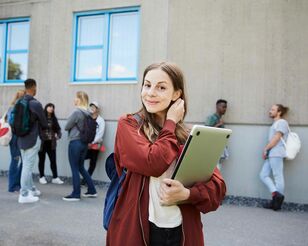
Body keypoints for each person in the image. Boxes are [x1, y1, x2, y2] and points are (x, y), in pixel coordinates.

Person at [106, 62, 226, 246]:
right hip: (137, 231)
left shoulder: (187, 136)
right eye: (147, 85)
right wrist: (170, 121)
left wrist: (187, 194)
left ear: (176, 94)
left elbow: (217, 189)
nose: (151, 92)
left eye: (161, 87)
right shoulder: (128, 125)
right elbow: (152, 163)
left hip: (181, 232)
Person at [17, 79, 48, 203]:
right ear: (34, 87)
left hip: (21, 139)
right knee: (27, 167)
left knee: (26, 165)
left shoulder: (20, 101)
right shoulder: (35, 103)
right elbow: (44, 123)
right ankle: (24, 195)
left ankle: (31, 189)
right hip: (32, 139)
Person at [63, 91, 97, 201]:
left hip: (75, 142)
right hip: (84, 144)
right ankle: (92, 190)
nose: (74, 100)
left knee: (74, 168)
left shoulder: (77, 112)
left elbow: (67, 126)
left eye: (75, 98)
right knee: (81, 167)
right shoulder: (89, 113)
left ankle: (76, 194)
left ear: (79, 99)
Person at [260, 104, 289, 211]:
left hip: (276, 153)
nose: (270, 111)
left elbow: (277, 138)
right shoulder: (276, 123)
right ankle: (276, 196)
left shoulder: (282, 122)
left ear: (279, 112)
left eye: (273, 109)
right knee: (263, 175)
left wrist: (266, 149)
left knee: (278, 177)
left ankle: (277, 203)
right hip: (272, 154)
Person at [38, 103, 64, 185]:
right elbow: (38, 129)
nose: (51, 108)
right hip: (42, 142)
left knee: (53, 160)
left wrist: (58, 135)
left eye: (53, 107)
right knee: (42, 160)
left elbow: (58, 129)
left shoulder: (54, 119)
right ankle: (41, 177)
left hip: (51, 143)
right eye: (49, 106)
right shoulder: (41, 118)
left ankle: (55, 177)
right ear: (46, 108)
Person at [81, 101, 105, 185]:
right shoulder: (87, 118)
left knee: (93, 162)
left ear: (97, 109)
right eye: (91, 107)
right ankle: (84, 178)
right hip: (86, 144)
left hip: (95, 144)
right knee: (81, 159)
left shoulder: (100, 120)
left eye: (94, 107)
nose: (92, 108)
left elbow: (100, 133)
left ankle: (85, 181)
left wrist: (92, 142)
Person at [7, 90, 25, 192]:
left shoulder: (11, 107)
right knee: (16, 160)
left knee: (17, 160)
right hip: (16, 137)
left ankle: (16, 184)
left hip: (14, 137)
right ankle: (13, 186)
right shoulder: (18, 108)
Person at [205, 99, 229, 169]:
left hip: (219, 147)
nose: (225, 109)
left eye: (226, 107)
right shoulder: (211, 118)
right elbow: (206, 132)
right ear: (217, 107)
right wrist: (219, 124)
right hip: (212, 148)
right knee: (215, 169)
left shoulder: (220, 119)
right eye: (223, 107)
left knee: (218, 168)